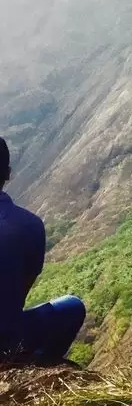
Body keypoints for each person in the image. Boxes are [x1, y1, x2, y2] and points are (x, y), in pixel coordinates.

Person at [0, 137, 85, 362]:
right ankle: (36, 362)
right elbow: (20, 292)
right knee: (73, 306)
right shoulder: (31, 225)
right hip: (7, 340)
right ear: (8, 173)